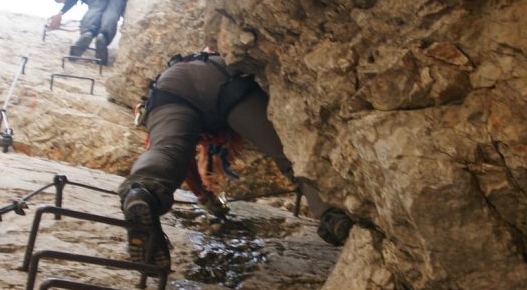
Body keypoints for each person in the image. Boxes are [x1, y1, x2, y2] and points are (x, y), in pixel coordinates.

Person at [119, 49, 353, 268]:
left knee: (167, 152)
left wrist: (206, 199)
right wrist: (208, 200)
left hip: (168, 91)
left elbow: (185, 164)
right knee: (290, 154)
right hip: (223, 81)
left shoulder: (177, 71)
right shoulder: (213, 58)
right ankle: (332, 216)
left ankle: (141, 192)